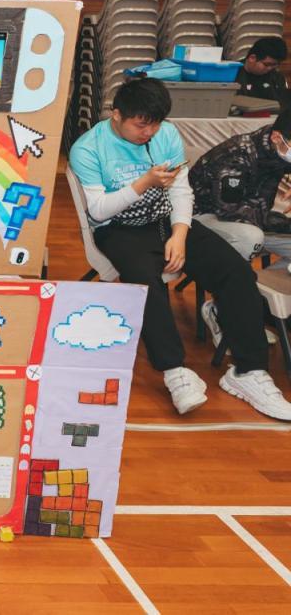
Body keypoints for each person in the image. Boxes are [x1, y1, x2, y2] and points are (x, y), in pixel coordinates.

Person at [69, 78, 291, 420]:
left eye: (155, 124)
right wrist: (143, 183)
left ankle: (249, 371)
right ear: (117, 115)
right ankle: (175, 371)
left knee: (235, 271)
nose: (149, 133)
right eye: (141, 125)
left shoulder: (166, 135)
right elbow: (98, 211)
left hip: (166, 221)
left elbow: (180, 191)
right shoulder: (88, 148)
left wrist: (180, 233)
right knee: (145, 282)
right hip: (118, 229)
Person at [190, 109, 291, 264]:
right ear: (277, 137)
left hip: (253, 215)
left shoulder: (277, 147)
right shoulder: (237, 154)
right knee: (251, 237)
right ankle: (231, 277)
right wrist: (282, 224)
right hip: (205, 216)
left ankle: (268, 279)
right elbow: (229, 210)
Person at [234, 36, 288, 102]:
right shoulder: (233, 75)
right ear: (252, 58)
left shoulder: (277, 77)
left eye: (274, 65)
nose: (270, 68)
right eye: (267, 64)